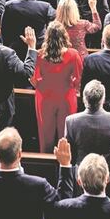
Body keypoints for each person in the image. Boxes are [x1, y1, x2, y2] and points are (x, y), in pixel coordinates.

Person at [31, 22, 83, 151]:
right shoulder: (73, 54)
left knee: (45, 135)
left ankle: (46, 167)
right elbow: (79, 78)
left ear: (47, 37)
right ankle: (65, 165)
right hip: (66, 96)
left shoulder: (39, 54)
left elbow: (34, 80)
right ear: (64, 36)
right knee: (65, 136)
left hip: (45, 97)